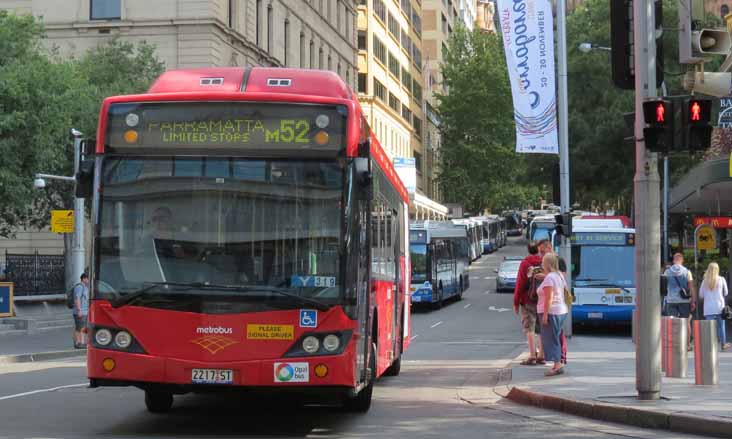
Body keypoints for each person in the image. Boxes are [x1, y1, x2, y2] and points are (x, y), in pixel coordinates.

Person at [537, 239, 568, 365]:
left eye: (542, 254)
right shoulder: (558, 275)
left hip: (553, 311)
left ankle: (557, 364)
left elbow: (549, 298)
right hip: (560, 310)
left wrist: (545, 315)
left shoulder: (550, 277)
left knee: (552, 339)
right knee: (555, 337)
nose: (541, 259)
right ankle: (558, 362)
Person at [513, 242, 544, 365]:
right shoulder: (544, 262)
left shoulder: (525, 263)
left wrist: (516, 302)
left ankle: (532, 355)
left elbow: (519, 284)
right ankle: (542, 354)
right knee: (541, 328)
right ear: (538, 249)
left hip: (527, 300)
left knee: (529, 328)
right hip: (542, 298)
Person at [664, 253, 697, 351]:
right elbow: (691, 287)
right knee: (686, 322)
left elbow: (662, 286)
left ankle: (674, 345)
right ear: (682, 261)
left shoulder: (667, 271)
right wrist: (693, 301)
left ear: (674, 260)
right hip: (684, 300)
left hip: (671, 300)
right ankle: (687, 345)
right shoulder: (687, 272)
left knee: (672, 323)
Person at [699, 262, 731, 351]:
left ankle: (709, 345)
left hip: (708, 308)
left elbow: (701, 295)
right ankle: (723, 344)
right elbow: (726, 293)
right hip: (720, 307)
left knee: (709, 327)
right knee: (721, 327)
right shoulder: (721, 279)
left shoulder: (704, 281)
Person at [73, 273, 90, 349]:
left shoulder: (85, 287)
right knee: (79, 328)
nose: (88, 280)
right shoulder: (80, 287)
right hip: (80, 311)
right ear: (84, 279)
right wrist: (79, 310)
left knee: (82, 327)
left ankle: (82, 342)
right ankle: (78, 343)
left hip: (85, 311)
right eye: (87, 278)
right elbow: (77, 299)